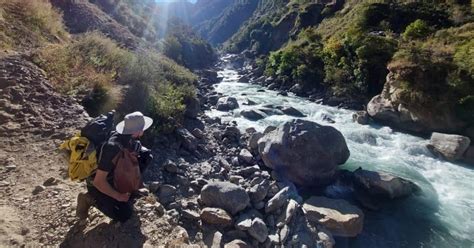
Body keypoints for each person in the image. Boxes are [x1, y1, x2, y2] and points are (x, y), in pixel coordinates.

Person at [76, 111, 153, 223]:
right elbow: (99, 181)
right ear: (138, 131)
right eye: (142, 128)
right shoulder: (112, 148)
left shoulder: (129, 138)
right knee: (124, 215)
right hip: (97, 184)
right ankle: (89, 198)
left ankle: (130, 186)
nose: (143, 130)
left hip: (114, 175)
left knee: (146, 155)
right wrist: (118, 196)